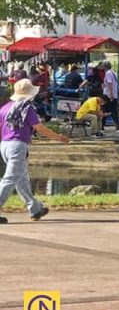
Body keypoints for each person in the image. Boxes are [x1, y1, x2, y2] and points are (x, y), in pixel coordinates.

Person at [0, 79, 70, 223]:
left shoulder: (5, 108)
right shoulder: (27, 109)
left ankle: (35, 208)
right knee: (10, 179)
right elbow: (40, 129)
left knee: (21, 179)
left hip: (5, 145)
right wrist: (59, 137)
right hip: (18, 146)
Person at [101, 60, 119, 132]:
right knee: (111, 111)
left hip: (108, 95)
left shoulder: (108, 73)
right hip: (113, 94)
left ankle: (102, 127)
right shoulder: (113, 73)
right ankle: (117, 127)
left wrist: (111, 94)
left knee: (105, 110)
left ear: (104, 67)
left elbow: (110, 84)